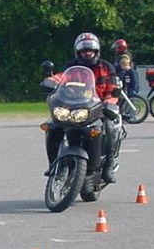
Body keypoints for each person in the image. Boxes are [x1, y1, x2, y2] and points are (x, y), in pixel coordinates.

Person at [45, 32, 120, 184]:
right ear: (78, 52)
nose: (87, 53)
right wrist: (50, 81)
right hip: (74, 106)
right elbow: (62, 77)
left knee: (110, 128)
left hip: (98, 107)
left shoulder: (106, 67)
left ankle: (108, 166)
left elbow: (113, 89)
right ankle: (53, 163)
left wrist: (110, 102)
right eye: (84, 51)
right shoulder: (71, 66)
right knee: (52, 127)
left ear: (96, 51)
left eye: (90, 50)